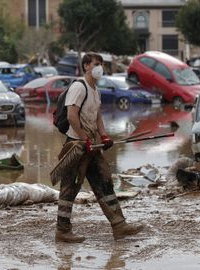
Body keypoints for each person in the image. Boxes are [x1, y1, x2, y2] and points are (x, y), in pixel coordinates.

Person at [55, 52, 145, 243]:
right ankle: (62, 231)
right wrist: (84, 138)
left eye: (102, 64)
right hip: (76, 146)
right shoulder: (79, 87)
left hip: (92, 146)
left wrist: (103, 136)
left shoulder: (95, 89)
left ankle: (119, 226)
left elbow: (97, 117)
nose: (100, 68)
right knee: (69, 189)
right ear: (86, 66)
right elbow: (72, 116)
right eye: (96, 64)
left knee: (104, 183)